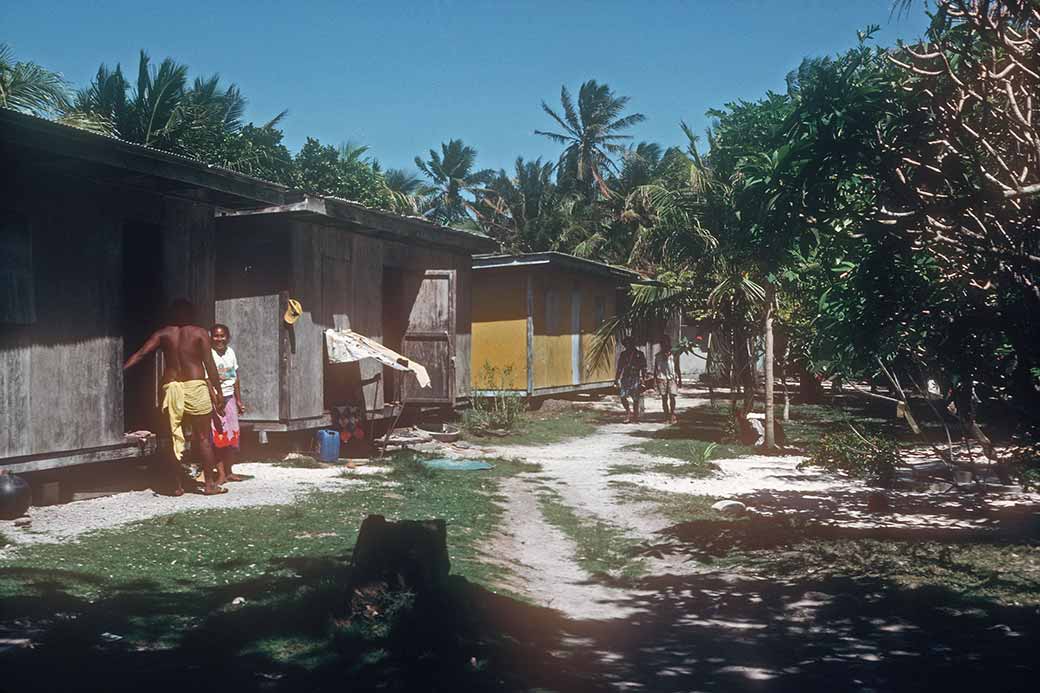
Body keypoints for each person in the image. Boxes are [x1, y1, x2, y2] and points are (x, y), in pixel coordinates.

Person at [124, 299, 226, 496]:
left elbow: (141, 354)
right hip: (195, 386)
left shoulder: (164, 334)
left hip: (171, 387)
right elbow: (209, 364)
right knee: (204, 438)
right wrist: (218, 392)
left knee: (173, 438)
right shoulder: (199, 333)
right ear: (192, 314)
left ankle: (176, 486)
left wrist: (120, 371)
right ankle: (209, 485)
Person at [209, 324, 247, 484]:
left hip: (230, 398)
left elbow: (235, 377)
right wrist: (216, 400)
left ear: (228, 337)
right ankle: (221, 474)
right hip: (216, 400)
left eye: (222, 336)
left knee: (231, 437)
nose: (219, 339)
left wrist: (238, 400)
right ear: (211, 338)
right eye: (216, 336)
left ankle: (229, 471)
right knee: (218, 437)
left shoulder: (231, 352)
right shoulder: (209, 355)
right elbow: (207, 381)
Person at [615, 336, 647, 423]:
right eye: (626, 344)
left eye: (629, 344)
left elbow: (643, 367)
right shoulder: (623, 354)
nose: (627, 346)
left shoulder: (639, 354)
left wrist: (643, 379)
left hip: (635, 377)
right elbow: (619, 367)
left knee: (635, 398)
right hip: (625, 377)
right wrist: (616, 378)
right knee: (622, 396)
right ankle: (628, 412)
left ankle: (636, 416)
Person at [654, 335, 680, 424]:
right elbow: (655, 369)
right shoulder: (657, 356)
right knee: (664, 398)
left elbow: (677, 367)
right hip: (661, 379)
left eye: (666, 343)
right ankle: (666, 416)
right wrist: (655, 381)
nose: (665, 345)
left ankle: (672, 414)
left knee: (672, 396)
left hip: (671, 379)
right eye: (663, 343)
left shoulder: (674, 355)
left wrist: (679, 379)